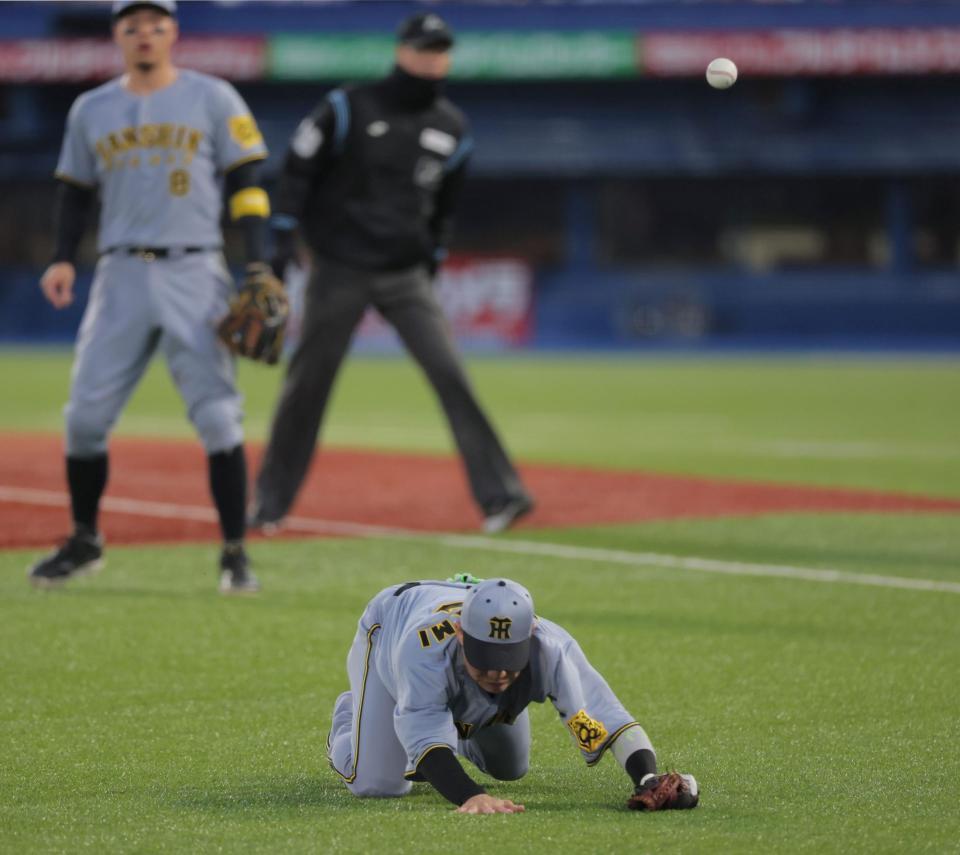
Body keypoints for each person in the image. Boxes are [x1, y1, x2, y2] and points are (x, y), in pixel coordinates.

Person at [249, 12, 534, 536]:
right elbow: (298, 169)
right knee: (307, 384)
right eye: (424, 48)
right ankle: (270, 501)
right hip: (340, 268)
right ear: (402, 52)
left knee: (451, 375)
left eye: (441, 50)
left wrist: (434, 255)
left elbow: (445, 206)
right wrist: (283, 238)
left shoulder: (452, 127)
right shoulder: (348, 105)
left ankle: (502, 495)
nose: (433, 58)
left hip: (406, 274)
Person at [27, 0, 271, 593]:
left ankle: (235, 553)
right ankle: (85, 540)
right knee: (84, 419)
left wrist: (260, 259)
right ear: (117, 34)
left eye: (155, 24)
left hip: (195, 270)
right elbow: (75, 191)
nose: (144, 34)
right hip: (120, 274)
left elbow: (247, 182)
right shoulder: (93, 108)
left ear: (173, 32)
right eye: (132, 25)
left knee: (217, 417)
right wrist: (62, 256)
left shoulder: (213, 97)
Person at [327, 575, 700, 813]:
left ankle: (454, 734)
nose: (497, 672)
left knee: (510, 768)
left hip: (459, 619)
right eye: (486, 658)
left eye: (509, 659)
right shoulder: (420, 651)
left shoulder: (551, 649)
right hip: (389, 624)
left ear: (529, 637)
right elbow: (423, 736)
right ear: (461, 635)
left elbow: (608, 717)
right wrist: (471, 795)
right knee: (380, 784)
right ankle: (351, 717)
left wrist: (646, 777)